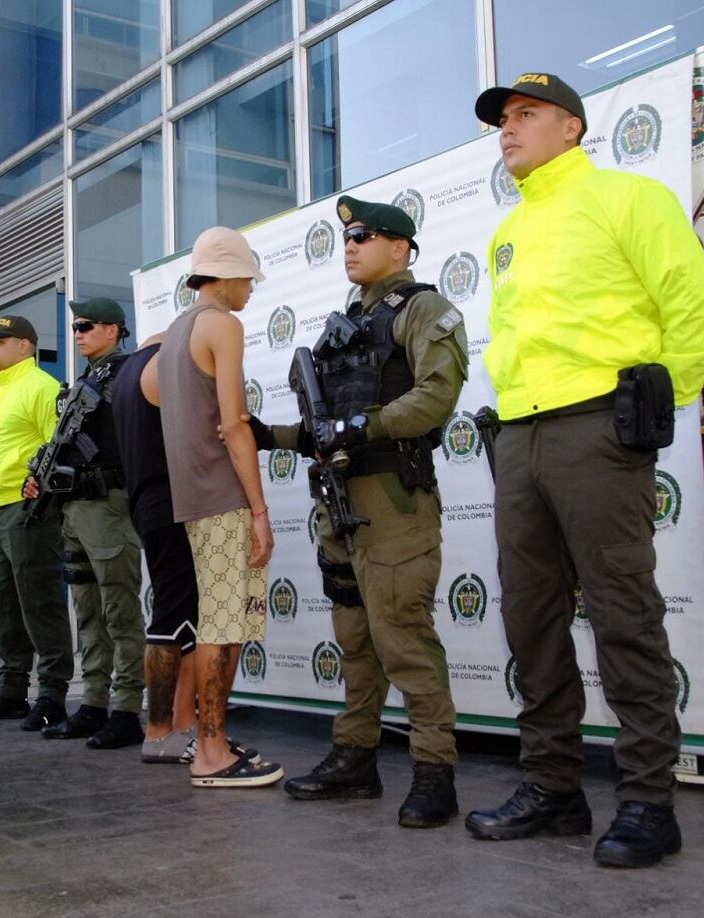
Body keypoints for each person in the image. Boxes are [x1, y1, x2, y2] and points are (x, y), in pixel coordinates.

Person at [466, 73, 704, 867]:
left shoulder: (628, 199)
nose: (508, 129)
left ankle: (649, 800)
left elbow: (696, 309)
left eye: (526, 114)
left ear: (571, 128)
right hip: (520, 435)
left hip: (597, 429)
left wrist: (650, 408)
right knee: (532, 618)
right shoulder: (506, 231)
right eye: (503, 119)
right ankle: (554, 789)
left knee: (621, 613)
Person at [255, 196, 468, 828]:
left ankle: (435, 771)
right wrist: (270, 436)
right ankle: (355, 757)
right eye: (346, 238)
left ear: (401, 247)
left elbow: (435, 399)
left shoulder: (423, 310)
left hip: (393, 502)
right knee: (354, 640)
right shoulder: (344, 324)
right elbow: (326, 429)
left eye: (365, 236)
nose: (350, 246)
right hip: (338, 503)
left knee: (402, 636)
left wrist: (360, 425)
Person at [158, 226, 283, 789]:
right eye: (248, 280)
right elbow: (233, 425)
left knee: (221, 621)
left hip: (190, 498)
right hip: (222, 498)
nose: (251, 291)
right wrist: (258, 508)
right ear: (227, 276)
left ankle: (212, 742)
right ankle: (210, 752)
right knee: (222, 625)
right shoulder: (222, 325)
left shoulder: (172, 333)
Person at [110, 333, 260, 768]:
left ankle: (178, 729)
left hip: (148, 500)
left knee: (184, 618)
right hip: (176, 501)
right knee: (175, 618)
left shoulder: (130, 368)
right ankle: (160, 733)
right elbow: (220, 430)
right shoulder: (169, 363)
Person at [26, 298, 147, 749]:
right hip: (74, 509)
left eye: (87, 326)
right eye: (75, 327)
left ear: (114, 329)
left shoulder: (127, 375)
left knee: (119, 610)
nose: (77, 333)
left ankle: (127, 709)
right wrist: (37, 474)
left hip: (107, 506)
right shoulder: (85, 380)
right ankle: (94, 702)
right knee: (89, 613)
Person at [0, 315, 73, 731]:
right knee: (4, 606)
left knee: (39, 601)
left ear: (25, 346)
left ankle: (52, 695)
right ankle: (11, 691)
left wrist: (42, 500)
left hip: (26, 512)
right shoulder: (0, 394)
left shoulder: (42, 388)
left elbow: (59, 451)